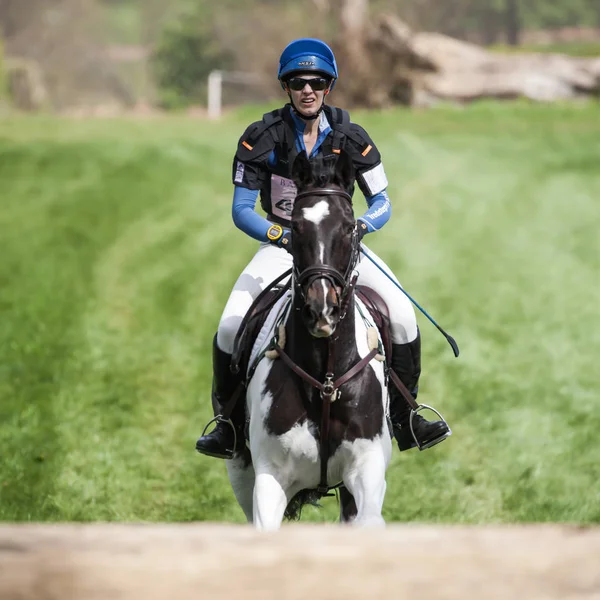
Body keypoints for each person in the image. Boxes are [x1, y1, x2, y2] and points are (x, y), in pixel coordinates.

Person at [195, 38, 451, 459]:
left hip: (338, 250)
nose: (308, 89)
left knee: (403, 317)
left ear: (329, 86)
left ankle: (407, 418)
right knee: (229, 325)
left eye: (317, 81)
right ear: (286, 87)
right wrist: (283, 237)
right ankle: (227, 425)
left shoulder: (352, 137)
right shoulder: (261, 137)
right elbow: (242, 210)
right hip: (284, 245)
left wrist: (360, 228)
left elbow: (383, 201)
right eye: (298, 82)